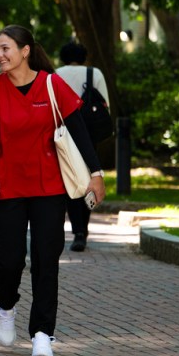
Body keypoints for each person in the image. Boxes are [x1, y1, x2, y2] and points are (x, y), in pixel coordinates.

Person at [0, 25, 104, 356]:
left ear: (25, 50)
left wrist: (96, 174)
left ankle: (43, 333)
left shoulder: (51, 84)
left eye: (5, 48)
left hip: (49, 187)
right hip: (6, 186)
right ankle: (6, 304)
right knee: (10, 259)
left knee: (46, 258)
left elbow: (79, 131)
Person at [56, 40, 112, 252]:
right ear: (83, 56)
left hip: (63, 135)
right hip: (89, 135)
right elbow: (105, 104)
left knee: (70, 180)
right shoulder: (94, 73)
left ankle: (75, 228)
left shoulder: (56, 74)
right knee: (88, 180)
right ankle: (82, 231)